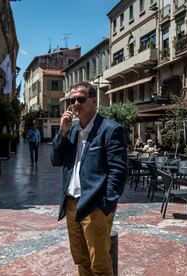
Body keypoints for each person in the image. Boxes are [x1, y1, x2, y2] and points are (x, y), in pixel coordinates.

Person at [51, 82, 127, 275]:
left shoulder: (110, 129)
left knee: (100, 265)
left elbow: (118, 172)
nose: (75, 103)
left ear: (94, 100)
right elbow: (55, 160)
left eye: (81, 99)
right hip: (71, 204)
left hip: (95, 205)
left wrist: (106, 205)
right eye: (72, 100)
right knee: (81, 261)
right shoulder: (71, 131)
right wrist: (62, 132)